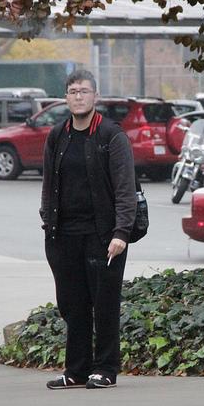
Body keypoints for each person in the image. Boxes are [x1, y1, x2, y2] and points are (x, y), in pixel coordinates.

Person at [40, 70, 136, 389]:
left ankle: (105, 368)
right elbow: (49, 185)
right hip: (64, 235)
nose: (78, 96)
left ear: (95, 96)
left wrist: (121, 232)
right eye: (72, 91)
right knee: (72, 305)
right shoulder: (58, 135)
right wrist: (47, 224)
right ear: (65, 98)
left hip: (103, 236)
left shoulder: (110, 135)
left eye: (84, 91)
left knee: (104, 304)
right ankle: (76, 370)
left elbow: (125, 189)